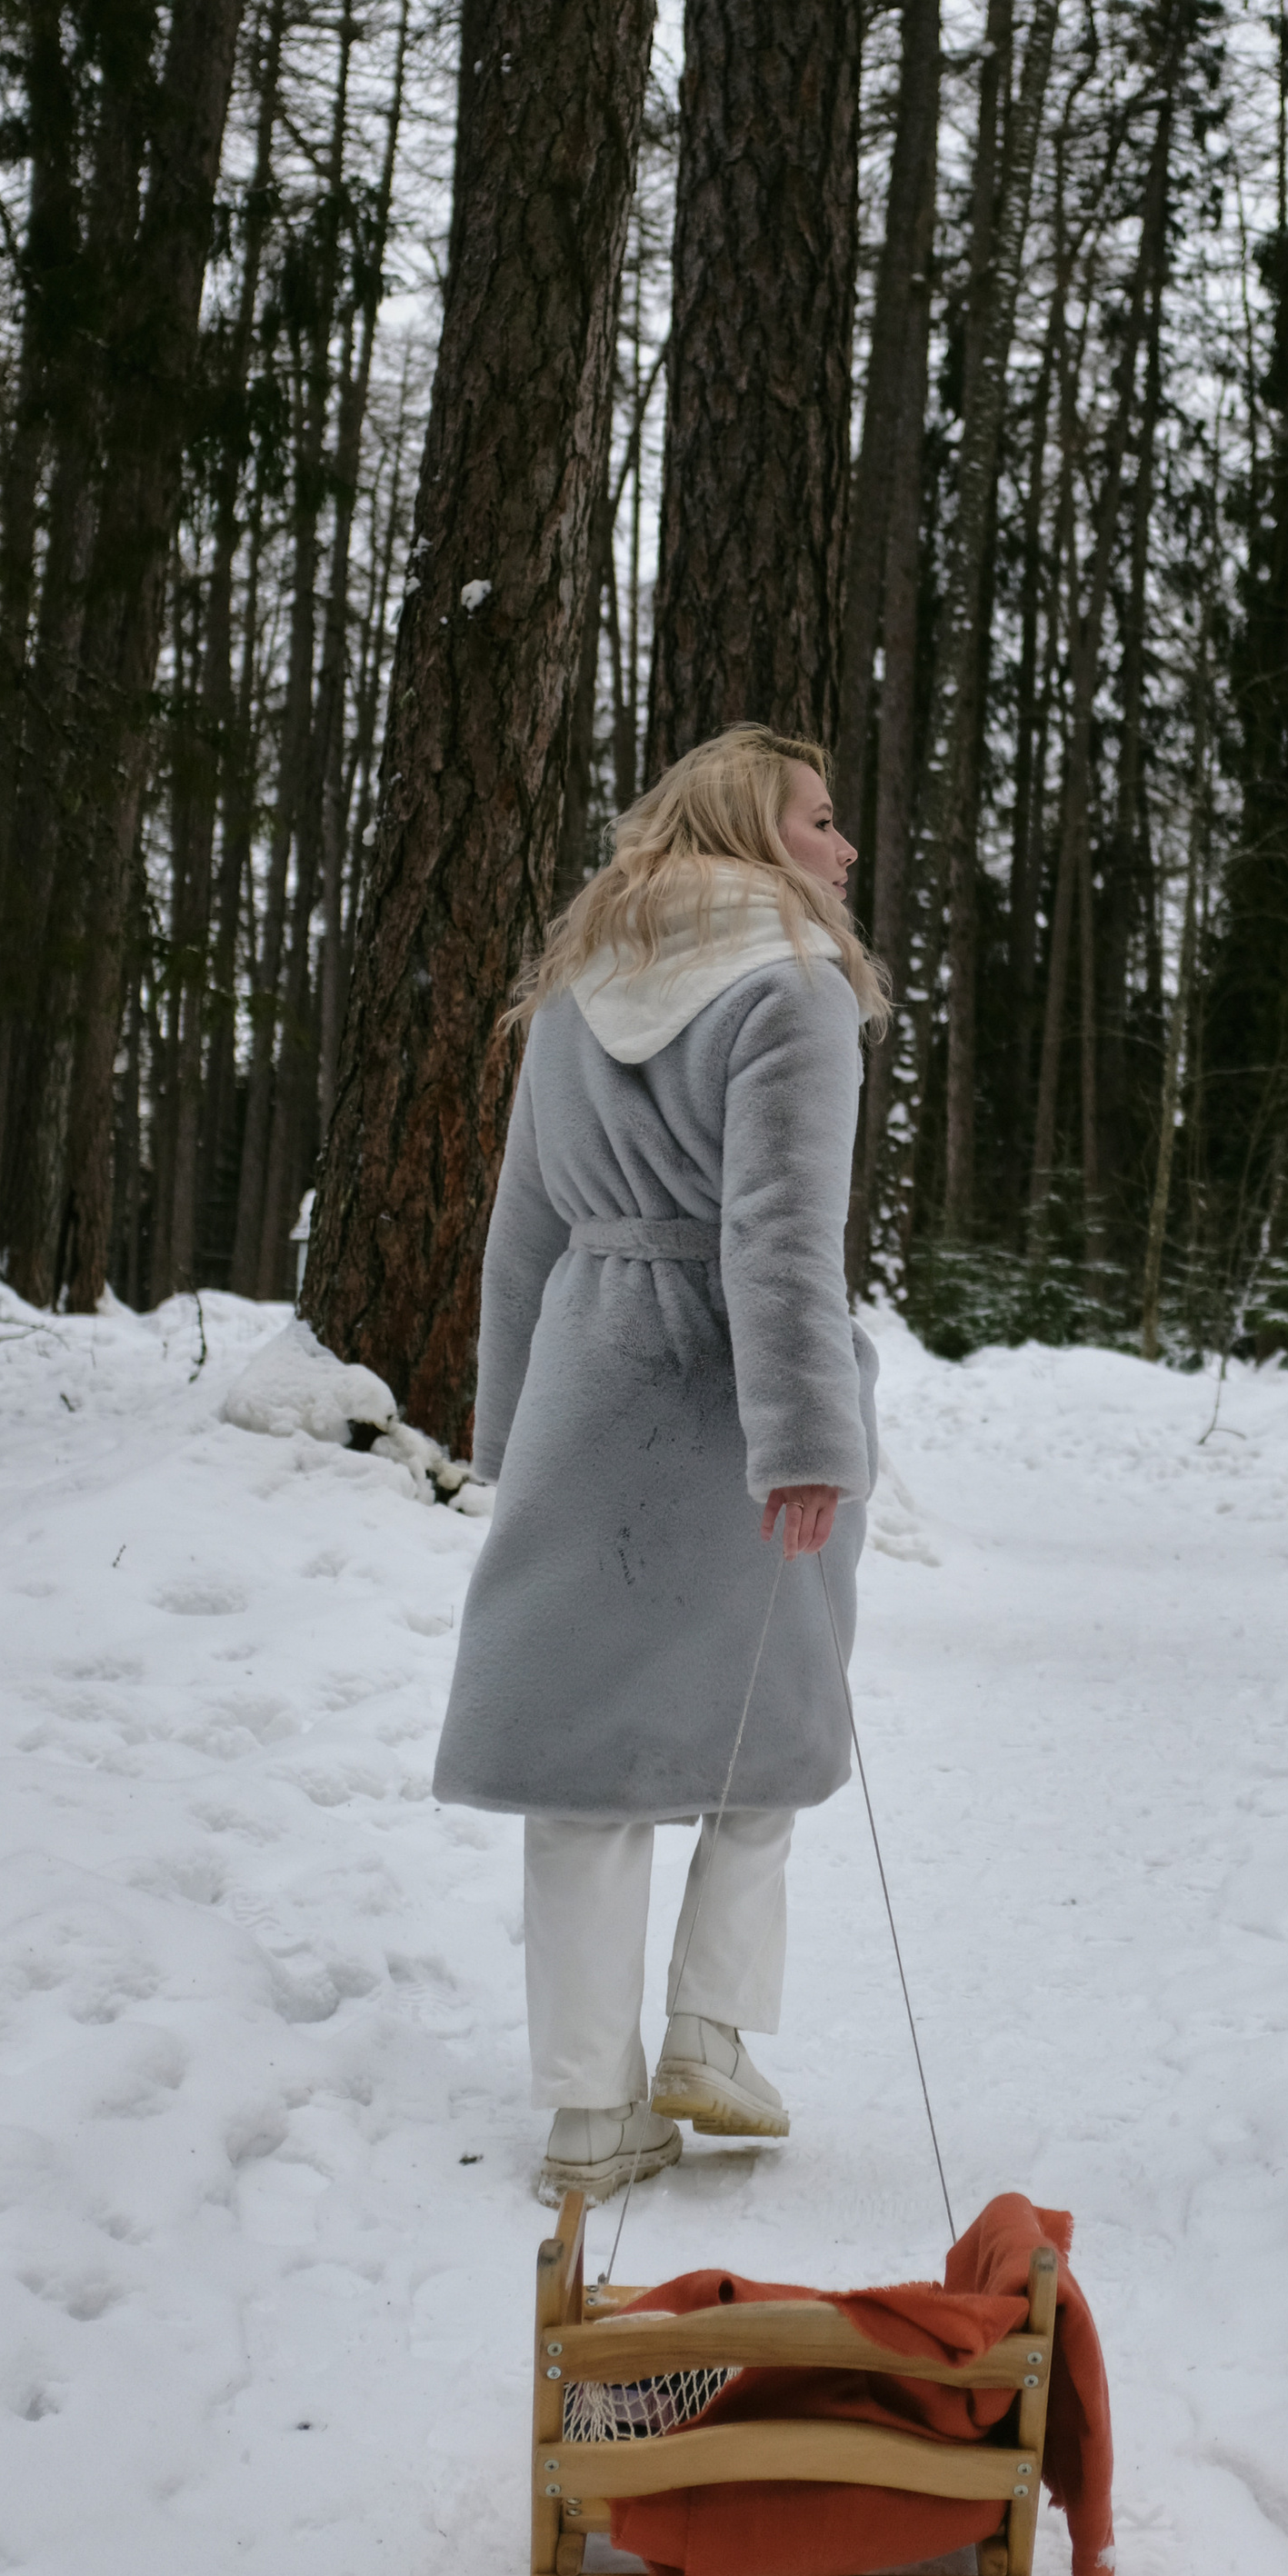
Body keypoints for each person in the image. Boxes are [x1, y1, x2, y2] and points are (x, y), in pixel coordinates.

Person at [433, 724, 887, 2206]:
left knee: (584, 1764)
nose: (845, 848)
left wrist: (509, 1434)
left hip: (584, 1369)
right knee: (773, 1716)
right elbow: (775, 1238)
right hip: (728, 1388)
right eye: (822, 820)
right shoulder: (795, 988)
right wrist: (809, 1440)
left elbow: (522, 1231)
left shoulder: (577, 987)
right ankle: (709, 2035)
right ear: (762, 836)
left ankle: (588, 2117)